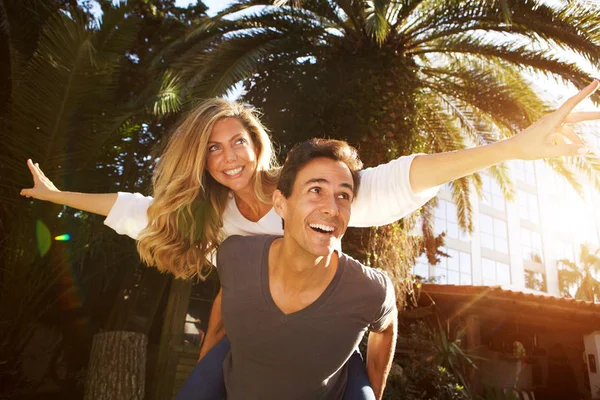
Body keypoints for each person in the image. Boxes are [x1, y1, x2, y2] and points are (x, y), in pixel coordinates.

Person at [21, 81, 600, 395]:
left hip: (324, 344)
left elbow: (402, 177)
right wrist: (58, 197)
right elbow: (136, 209)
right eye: (214, 148)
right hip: (252, 338)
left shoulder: (304, 189)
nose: (229, 157)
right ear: (202, 159)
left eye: (238, 142)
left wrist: (515, 146)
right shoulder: (211, 214)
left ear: (257, 145)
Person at [208, 138, 397, 399]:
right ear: (281, 204)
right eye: (316, 190)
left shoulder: (370, 289)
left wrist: (372, 392)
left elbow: (386, 326)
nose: (332, 209)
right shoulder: (235, 255)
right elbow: (226, 297)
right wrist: (202, 378)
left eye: (343, 196)